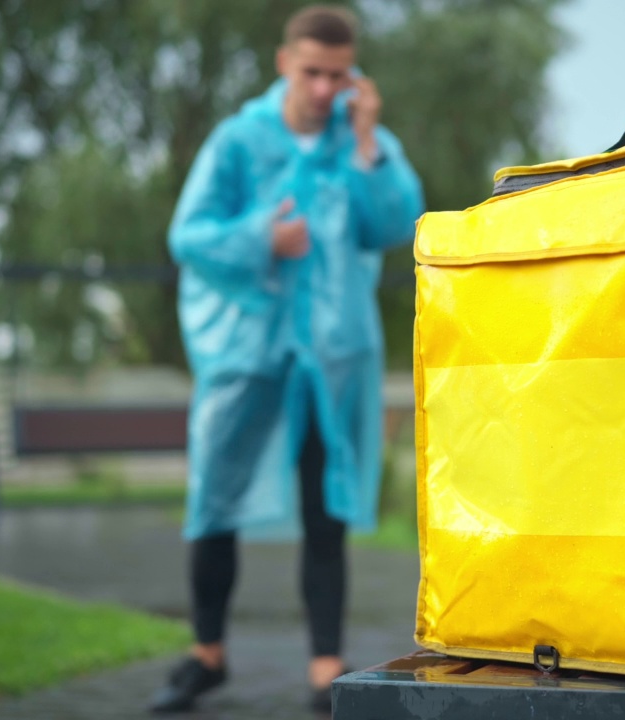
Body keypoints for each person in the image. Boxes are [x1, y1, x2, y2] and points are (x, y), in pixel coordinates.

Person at [149, 4, 424, 715]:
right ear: (284, 64)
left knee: (324, 506)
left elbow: (396, 223)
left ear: (353, 74)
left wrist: (367, 143)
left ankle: (323, 669)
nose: (325, 88)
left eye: (339, 75)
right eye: (312, 72)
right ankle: (205, 655)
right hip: (247, 355)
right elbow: (190, 236)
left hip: (328, 360)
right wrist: (260, 239)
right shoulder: (239, 141)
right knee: (215, 498)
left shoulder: (362, 143)